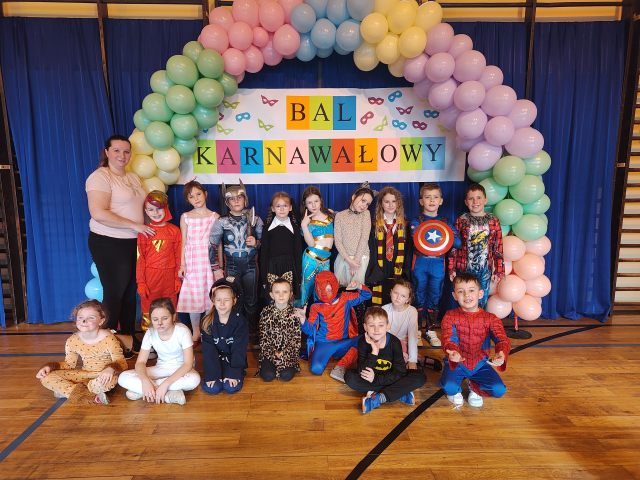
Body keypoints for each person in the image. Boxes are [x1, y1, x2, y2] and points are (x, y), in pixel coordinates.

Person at [86, 135, 152, 356]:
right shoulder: (100, 177)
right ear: (106, 152)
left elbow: (140, 210)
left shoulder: (132, 177)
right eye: (116, 150)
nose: (122, 155)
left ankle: (128, 339)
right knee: (115, 293)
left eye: (126, 151)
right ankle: (108, 343)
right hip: (109, 241)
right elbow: (99, 213)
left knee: (131, 292)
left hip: (133, 241)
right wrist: (135, 225)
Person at [439, 273, 510, 407]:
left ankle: (475, 387)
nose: (466, 295)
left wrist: (501, 353)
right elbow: (448, 338)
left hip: (480, 364)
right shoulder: (450, 316)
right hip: (457, 362)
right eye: (461, 291)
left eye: (471, 290)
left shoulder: (491, 318)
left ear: (480, 293)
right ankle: (455, 389)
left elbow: (502, 339)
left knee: (499, 390)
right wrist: (453, 352)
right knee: (449, 387)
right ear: (454, 296)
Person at [36, 300, 127, 404]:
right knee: (46, 378)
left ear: (101, 321)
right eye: (80, 317)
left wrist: (110, 369)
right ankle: (92, 397)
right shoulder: (72, 340)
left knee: (111, 381)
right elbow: (69, 365)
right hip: (84, 375)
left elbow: (122, 363)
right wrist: (49, 367)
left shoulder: (109, 339)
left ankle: (68, 391)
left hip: (102, 377)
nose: (84, 321)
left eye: (91, 318)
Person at [209, 180, 263, 345]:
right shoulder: (222, 221)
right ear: (227, 203)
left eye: (239, 197)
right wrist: (216, 268)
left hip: (250, 265)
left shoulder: (255, 219)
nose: (236, 201)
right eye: (232, 199)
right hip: (231, 266)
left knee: (251, 299)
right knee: (234, 299)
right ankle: (237, 329)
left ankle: (252, 331)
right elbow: (212, 244)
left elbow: (265, 242)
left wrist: (257, 243)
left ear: (245, 199)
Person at [344, 306, 426, 414]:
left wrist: (375, 380)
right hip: (373, 376)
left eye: (381, 325)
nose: (376, 329)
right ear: (365, 327)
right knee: (349, 377)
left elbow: (400, 372)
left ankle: (379, 398)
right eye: (372, 325)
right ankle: (399, 392)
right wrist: (374, 352)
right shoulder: (363, 342)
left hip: (389, 376)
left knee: (420, 377)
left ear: (388, 327)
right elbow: (361, 371)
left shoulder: (394, 342)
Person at [118, 297, 200, 405]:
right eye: (155, 319)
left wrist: (165, 384)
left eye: (164, 318)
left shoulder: (182, 331)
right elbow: (140, 362)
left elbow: (187, 364)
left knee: (194, 379)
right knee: (123, 377)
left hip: (182, 370)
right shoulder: (150, 333)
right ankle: (166, 394)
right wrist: (145, 381)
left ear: (173, 316)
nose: (160, 323)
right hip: (162, 367)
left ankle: (146, 391)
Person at [410, 183, 461, 347]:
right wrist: (443, 234)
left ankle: (430, 329)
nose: (431, 200)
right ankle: (417, 329)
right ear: (421, 201)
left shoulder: (445, 221)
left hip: (438, 264)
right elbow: (417, 238)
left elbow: (458, 242)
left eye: (435, 197)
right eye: (427, 197)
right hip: (420, 263)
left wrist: (444, 232)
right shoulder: (416, 220)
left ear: (441, 201)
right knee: (417, 296)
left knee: (435, 296)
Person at [299, 271, 372, 383]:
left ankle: (340, 367)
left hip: (343, 343)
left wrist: (359, 286)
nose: (324, 293)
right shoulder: (316, 306)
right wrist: (303, 319)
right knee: (316, 369)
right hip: (324, 343)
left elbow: (367, 295)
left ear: (334, 286)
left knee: (366, 339)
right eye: (320, 290)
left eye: (328, 289)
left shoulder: (345, 298)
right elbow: (309, 331)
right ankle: (333, 355)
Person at [448, 184, 505, 310]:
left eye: (479, 198)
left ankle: (480, 322)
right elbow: (454, 246)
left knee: (481, 299)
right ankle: (464, 322)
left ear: (485, 200)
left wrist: (499, 270)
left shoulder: (493, 221)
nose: (475, 201)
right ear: (466, 202)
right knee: (465, 298)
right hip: (464, 268)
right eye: (471, 198)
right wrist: (451, 268)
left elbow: (498, 247)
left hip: (485, 269)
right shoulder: (461, 221)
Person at [177, 180, 219, 344]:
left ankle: (207, 329)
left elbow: (218, 243)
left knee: (210, 294)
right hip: (192, 260)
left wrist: (219, 266)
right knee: (193, 295)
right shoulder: (186, 217)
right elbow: (184, 241)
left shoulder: (214, 216)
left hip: (209, 260)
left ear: (205, 194)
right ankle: (196, 331)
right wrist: (182, 264)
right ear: (187, 200)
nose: (196, 198)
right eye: (191, 196)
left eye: (198, 194)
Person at [137, 191, 181, 332]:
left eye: (159, 208)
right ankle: (149, 337)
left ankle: (172, 336)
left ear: (166, 208)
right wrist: (141, 282)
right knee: (148, 305)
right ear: (146, 211)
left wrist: (177, 278)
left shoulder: (174, 230)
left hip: (169, 276)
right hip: (151, 276)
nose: (155, 213)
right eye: (151, 209)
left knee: (170, 305)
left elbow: (178, 255)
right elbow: (140, 258)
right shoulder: (144, 232)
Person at [200, 277, 249, 395]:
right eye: (218, 300)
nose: (222, 304)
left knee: (230, 387)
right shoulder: (206, 322)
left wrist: (233, 373)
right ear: (213, 300)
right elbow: (208, 350)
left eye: (226, 300)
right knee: (213, 388)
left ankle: (236, 372)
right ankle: (216, 374)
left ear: (234, 301)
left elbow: (239, 349)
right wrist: (212, 375)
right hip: (214, 361)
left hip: (233, 360)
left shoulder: (240, 321)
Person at [382, 279, 442, 372]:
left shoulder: (411, 311)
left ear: (408, 299)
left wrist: (412, 360)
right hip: (389, 343)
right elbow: (385, 335)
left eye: (403, 296)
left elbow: (412, 336)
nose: (398, 297)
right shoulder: (384, 309)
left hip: (404, 344)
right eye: (396, 293)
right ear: (390, 292)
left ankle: (414, 359)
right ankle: (420, 360)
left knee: (399, 358)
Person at [367, 186, 413, 306]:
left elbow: (408, 252)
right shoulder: (373, 225)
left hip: (398, 270)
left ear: (398, 204)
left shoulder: (405, 225)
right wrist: (375, 272)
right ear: (381, 204)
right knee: (379, 303)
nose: (391, 205)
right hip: (379, 270)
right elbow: (371, 250)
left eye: (394, 201)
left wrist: (404, 273)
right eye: (387, 201)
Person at [257, 275, 303, 382]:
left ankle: (285, 364)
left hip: (289, 352)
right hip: (270, 351)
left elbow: (296, 339)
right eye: (277, 292)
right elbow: (263, 337)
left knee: (286, 375)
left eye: (285, 292)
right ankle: (270, 363)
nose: (281, 295)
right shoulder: (265, 312)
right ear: (271, 295)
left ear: (290, 294)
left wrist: (285, 353)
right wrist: (273, 353)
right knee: (268, 376)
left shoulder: (295, 313)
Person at [294, 186, 334, 309]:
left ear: (321, 200)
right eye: (309, 202)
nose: (314, 205)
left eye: (316, 201)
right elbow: (310, 243)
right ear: (305, 204)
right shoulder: (307, 221)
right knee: (304, 292)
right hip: (311, 259)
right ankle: (298, 319)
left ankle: (319, 319)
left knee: (323, 294)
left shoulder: (330, 215)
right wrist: (304, 225)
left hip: (326, 261)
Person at [260, 192, 302, 302]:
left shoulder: (295, 229)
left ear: (290, 208)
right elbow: (263, 254)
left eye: (285, 205)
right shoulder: (267, 229)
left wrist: (297, 277)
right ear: (273, 209)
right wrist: (264, 279)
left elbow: (298, 254)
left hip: (290, 268)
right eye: (278, 206)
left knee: (288, 298)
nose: (282, 209)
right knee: (274, 298)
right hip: (272, 268)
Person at [334, 182, 376, 287]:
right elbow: (338, 240)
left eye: (368, 204)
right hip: (344, 259)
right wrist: (349, 261)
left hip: (361, 259)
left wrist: (355, 263)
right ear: (354, 197)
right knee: (344, 291)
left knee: (358, 290)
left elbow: (364, 238)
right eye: (363, 200)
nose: (364, 205)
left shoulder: (366, 214)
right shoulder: (340, 216)